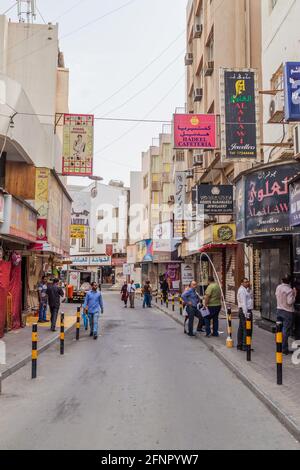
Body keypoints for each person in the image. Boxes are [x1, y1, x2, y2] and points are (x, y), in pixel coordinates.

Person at [276, 275, 297, 355]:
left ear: (282, 280)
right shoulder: (289, 290)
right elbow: (289, 302)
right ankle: (284, 349)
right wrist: (294, 294)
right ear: (290, 282)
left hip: (279, 310)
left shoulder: (278, 287)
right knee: (285, 331)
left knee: (279, 330)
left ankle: (279, 347)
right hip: (287, 312)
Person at [237, 278, 254, 351]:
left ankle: (240, 345)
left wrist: (250, 288)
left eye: (247, 282)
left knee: (241, 328)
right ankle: (245, 346)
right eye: (245, 282)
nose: (247, 283)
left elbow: (250, 296)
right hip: (245, 311)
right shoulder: (242, 291)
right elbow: (243, 303)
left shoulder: (245, 289)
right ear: (242, 283)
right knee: (247, 329)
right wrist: (246, 314)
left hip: (245, 311)